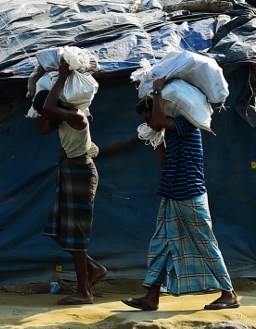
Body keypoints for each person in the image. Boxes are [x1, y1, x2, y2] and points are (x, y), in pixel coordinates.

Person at [122, 78, 238, 311]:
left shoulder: (186, 123)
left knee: (205, 242)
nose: (149, 122)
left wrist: (156, 91)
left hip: (190, 193)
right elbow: (166, 164)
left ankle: (229, 293)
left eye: (148, 117)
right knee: (161, 244)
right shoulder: (170, 132)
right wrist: (157, 141)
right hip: (173, 193)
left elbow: (157, 119)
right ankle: (151, 296)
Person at [33, 60, 108, 305]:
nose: (45, 115)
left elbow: (49, 107)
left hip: (81, 173)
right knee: (60, 231)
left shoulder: (77, 116)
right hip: (69, 172)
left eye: (46, 110)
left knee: (76, 234)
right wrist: (34, 83)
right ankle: (94, 269)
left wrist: (63, 76)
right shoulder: (60, 119)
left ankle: (84, 291)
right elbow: (42, 126)